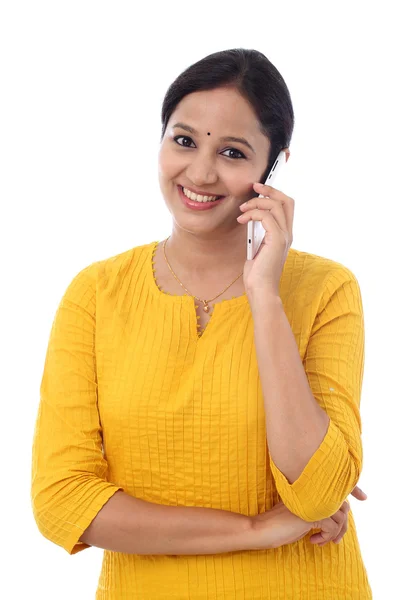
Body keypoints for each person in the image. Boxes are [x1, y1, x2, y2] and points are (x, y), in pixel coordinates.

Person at [31, 48, 372, 599]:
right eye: (184, 140)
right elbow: (63, 502)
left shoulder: (326, 290)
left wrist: (264, 294)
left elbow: (315, 494)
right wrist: (259, 529)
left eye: (233, 152)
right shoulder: (96, 294)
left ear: (272, 167)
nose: (201, 172)